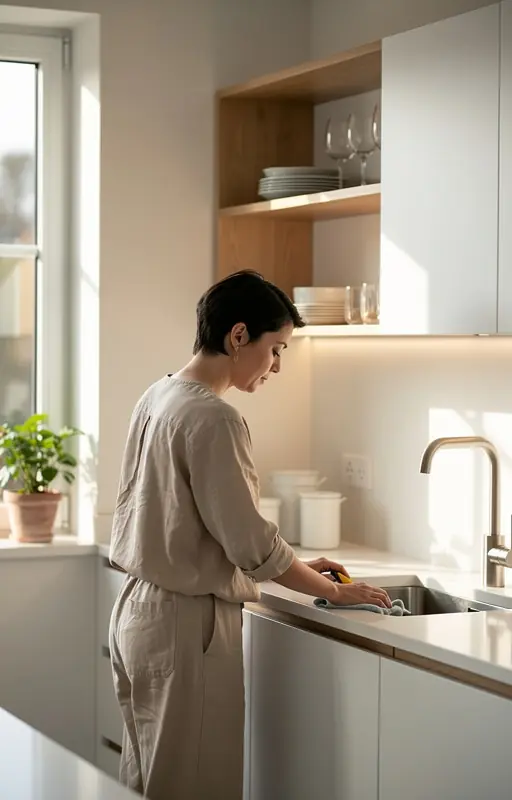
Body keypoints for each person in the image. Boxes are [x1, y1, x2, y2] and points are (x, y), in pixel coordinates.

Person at [108, 271, 391, 800]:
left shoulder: (159, 395)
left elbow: (196, 521)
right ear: (238, 336)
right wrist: (331, 590)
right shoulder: (214, 418)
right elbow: (250, 545)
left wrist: (306, 569)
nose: (278, 366)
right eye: (276, 348)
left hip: (136, 613)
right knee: (194, 787)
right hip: (184, 625)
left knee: (148, 783)